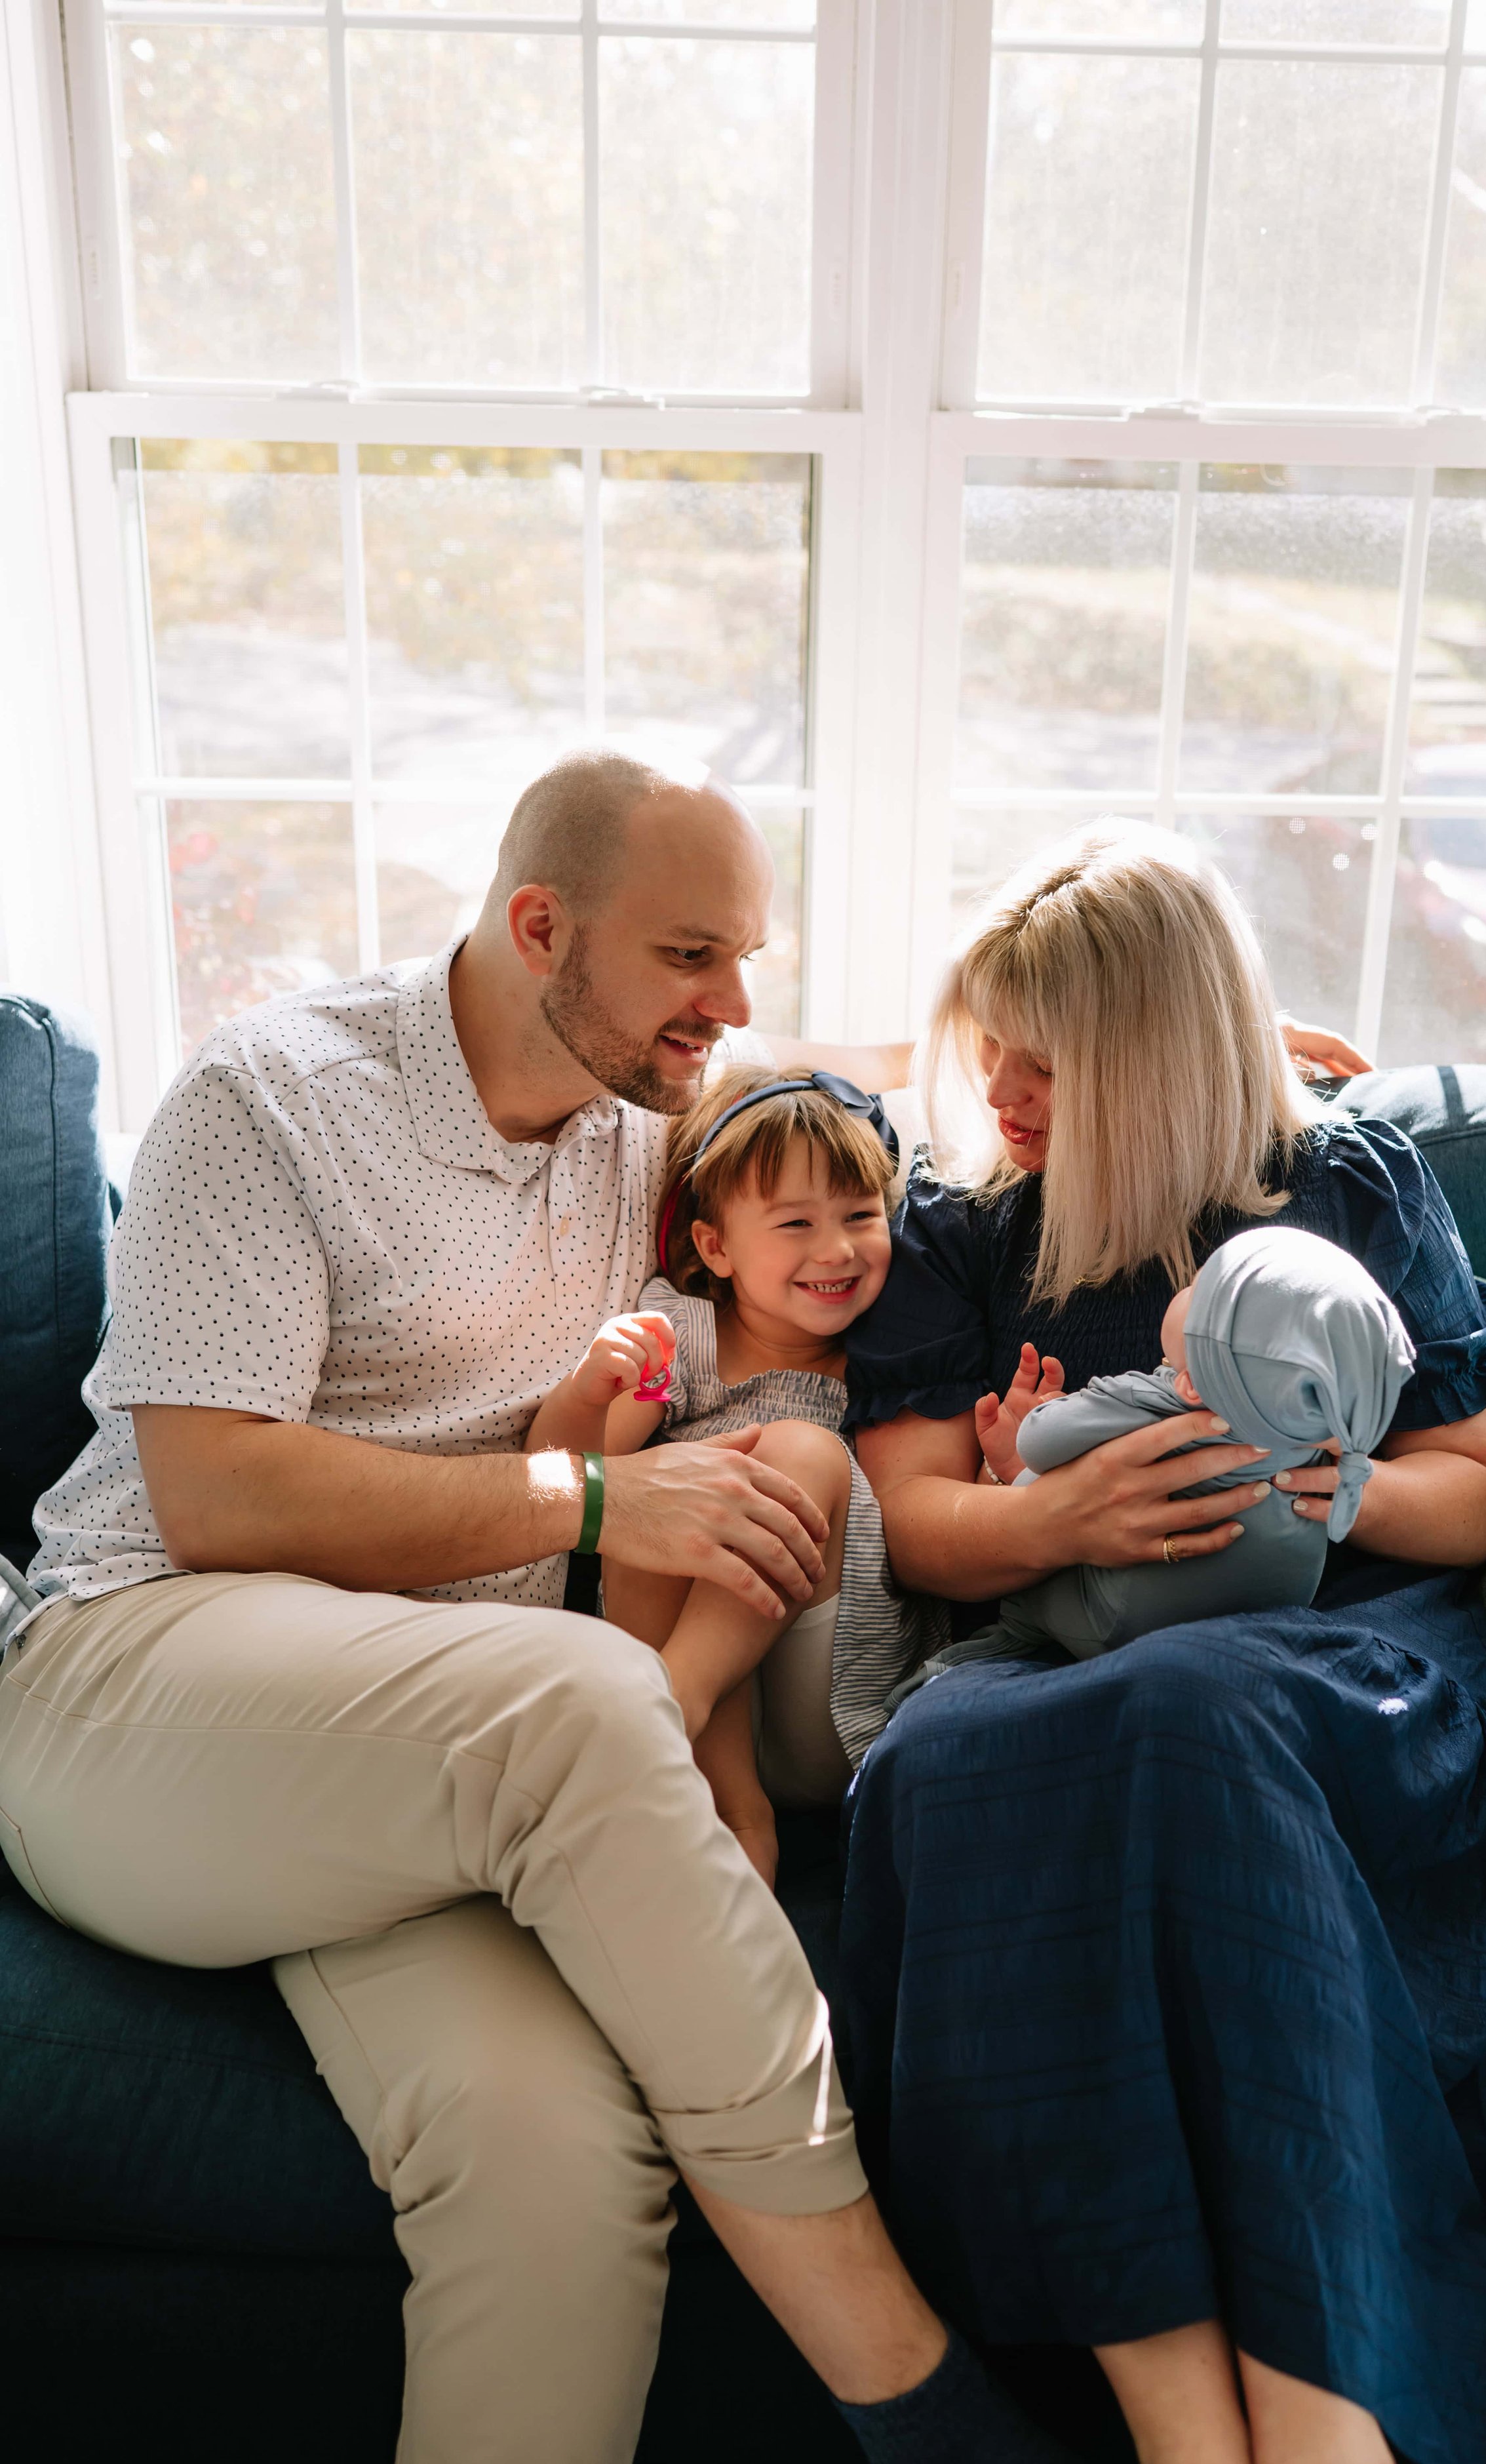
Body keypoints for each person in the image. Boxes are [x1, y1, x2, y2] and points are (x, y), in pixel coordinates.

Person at [0, 749, 1088, 2464]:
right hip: (143, 1679)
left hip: (429, 1768)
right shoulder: (271, 1097)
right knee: (584, 1691)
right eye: (689, 956)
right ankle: (925, 2405)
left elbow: (879, 1158)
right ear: (538, 927)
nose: (730, 1000)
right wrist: (592, 1494)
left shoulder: (654, 1119)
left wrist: (1221, 1084)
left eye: (743, 954)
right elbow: (213, 1494)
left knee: (562, 2177)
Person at [842, 822, 1486, 2464]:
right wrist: (1054, 1521)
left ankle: (1316, 2408)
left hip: (1337, 1648)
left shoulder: (1340, 1187)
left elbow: (1471, 1495)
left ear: (1152, 1057)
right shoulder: (962, 1235)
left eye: (1048, 1054)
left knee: (1188, 1708)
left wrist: (1326, 1488)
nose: (1001, 1081)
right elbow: (915, 1515)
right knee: (939, 1754)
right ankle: (1181, 2420)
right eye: (989, 1037)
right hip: (1063, 1643)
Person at [524, 1065, 943, 1888]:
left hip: (826, 1691)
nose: (837, 1249)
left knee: (800, 1452)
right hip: (698, 1707)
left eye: (861, 1215)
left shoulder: (892, 1352)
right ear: (716, 1246)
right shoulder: (678, 1334)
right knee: (654, 1486)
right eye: (795, 1222)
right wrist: (587, 1389)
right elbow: (561, 1478)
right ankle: (735, 1812)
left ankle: (670, 1704)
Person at [911, 1223, 1415, 1679]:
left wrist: (1045, 1417)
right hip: (1278, 1611)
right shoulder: (1315, 1430)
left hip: (1122, 1622)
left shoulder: (1157, 1399)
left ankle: (1015, 1629)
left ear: (1194, 1384)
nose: (1187, 1285)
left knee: (1042, 1568)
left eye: (1199, 1291)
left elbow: (1039, 1443)